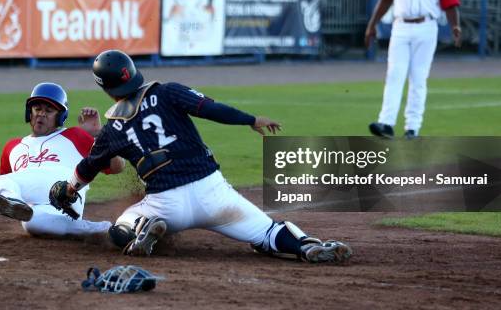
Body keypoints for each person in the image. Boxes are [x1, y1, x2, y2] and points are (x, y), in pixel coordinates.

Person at [50, 50, 352, 264]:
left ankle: (141, 228)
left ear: (104, 86)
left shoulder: (112, 128)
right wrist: (250, 119)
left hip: (166, 205)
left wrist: (70, 187)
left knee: (121, 226)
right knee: (267, 231)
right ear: (133, 71)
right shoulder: (167, 92)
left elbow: (88, 166)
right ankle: (305, 246)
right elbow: (210, 109)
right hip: (213, 192)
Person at [0, 82, 125, 238]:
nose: (41, 114)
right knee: (32, 223)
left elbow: (117, 167)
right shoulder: (12, 147)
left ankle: (16, 202)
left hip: (66, 193)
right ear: (29, 112)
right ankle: (105, 229)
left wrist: (98, 136)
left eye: (48, 110)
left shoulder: (75, 135)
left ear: (60, 117)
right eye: (37, 108)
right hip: (38, 206)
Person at [365, 0, 461, 139]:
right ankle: (386, 123)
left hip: (426, 27)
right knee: (394, 75)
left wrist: (455, 26)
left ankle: (412, 128)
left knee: (418, 78)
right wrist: (372, 24)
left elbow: (450, 5)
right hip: (400, 27)